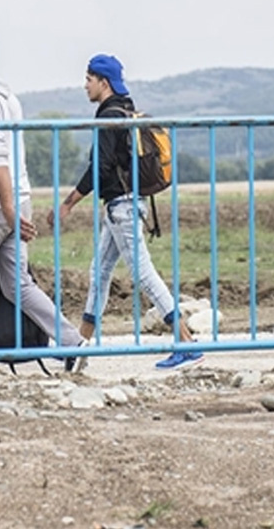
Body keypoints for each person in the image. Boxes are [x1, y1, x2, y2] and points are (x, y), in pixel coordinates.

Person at [46, 54, 203, 371]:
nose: (85, 85)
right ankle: (79, 347)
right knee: (99, 275)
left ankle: (186, 344)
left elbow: (99, 169)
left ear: (103, 82)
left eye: (89, 79)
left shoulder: (109, 117)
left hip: (123, 209)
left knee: (144, 276)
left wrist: (68, 203)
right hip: (125, 206)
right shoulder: (125, 111)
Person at [0, 35, 83, 378]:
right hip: (17, 200)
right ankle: (72, 343)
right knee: (17, 283)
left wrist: (6, 208)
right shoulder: (9, 99)